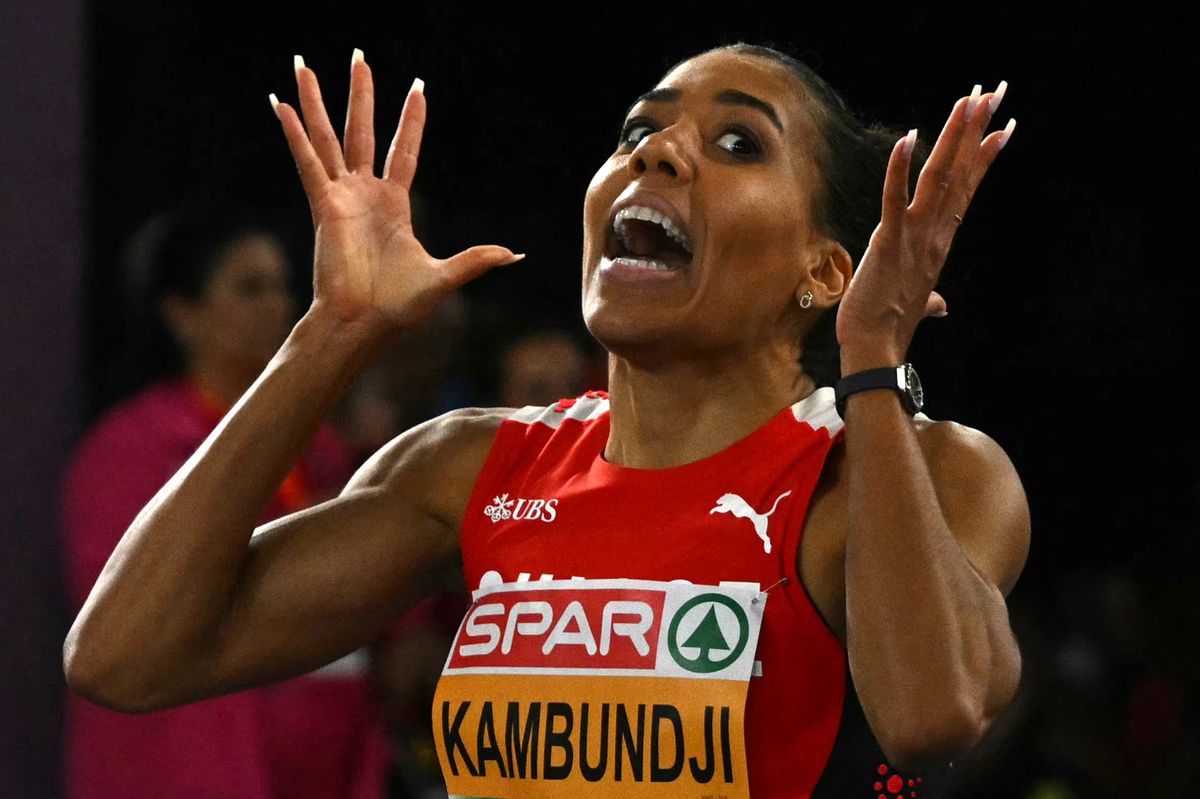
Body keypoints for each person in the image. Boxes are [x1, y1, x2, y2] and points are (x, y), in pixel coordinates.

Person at [63, 42, 1029, 798]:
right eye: (634, 133)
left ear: (825, 270)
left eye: (739, 142)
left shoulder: (908, 471)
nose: (655, 150)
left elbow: (931, 713)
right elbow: (125, 656)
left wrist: (874, 364)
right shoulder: (472, 465)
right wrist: (332, 335)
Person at [60, 204, 388, 798]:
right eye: (249, 288)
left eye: (284, 286)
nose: (279, 306)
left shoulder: (320, 446)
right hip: (193, 769)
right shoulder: (130, 450)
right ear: (182, 315)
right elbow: (129, 626)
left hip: (329, 765)